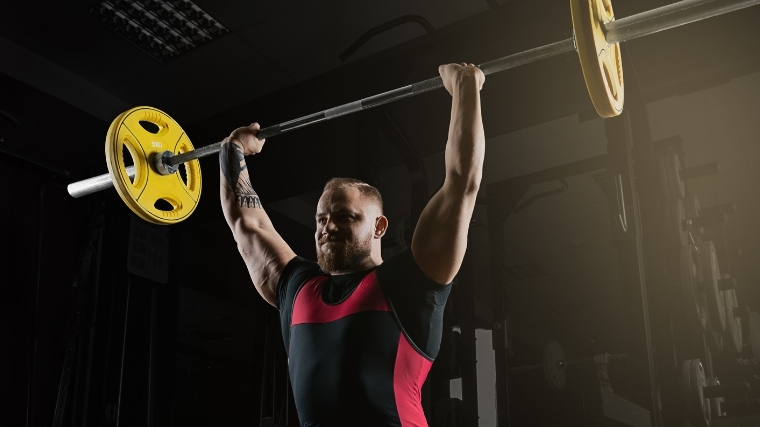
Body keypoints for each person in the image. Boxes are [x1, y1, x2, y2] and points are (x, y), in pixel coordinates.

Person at [219, 63, 485, 427]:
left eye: (344, 216)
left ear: (379, 226)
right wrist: (232, 151)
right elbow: (245, 223)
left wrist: (466, 89)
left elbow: (460, 184)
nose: (328, 227)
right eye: (321, 219)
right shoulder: (297, 288)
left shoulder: (409, 283)